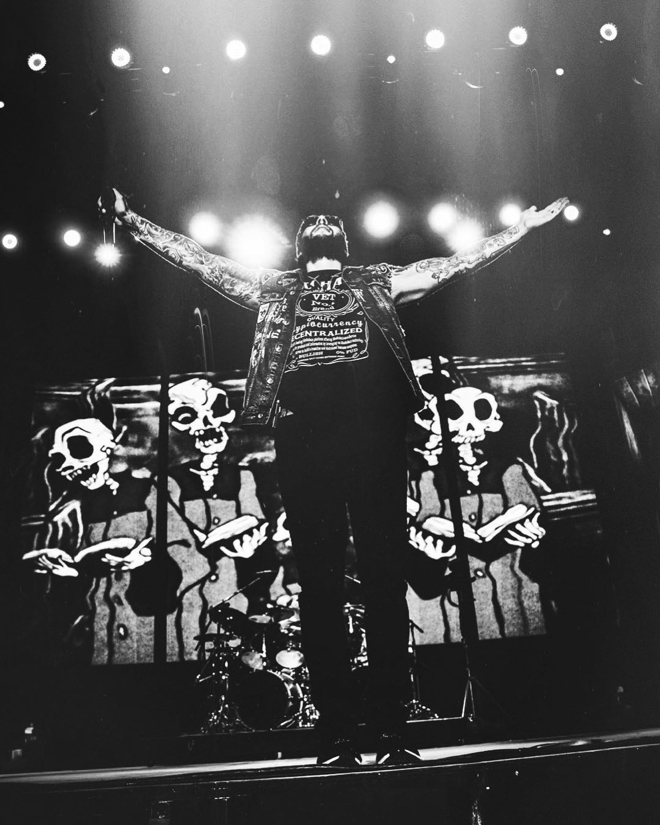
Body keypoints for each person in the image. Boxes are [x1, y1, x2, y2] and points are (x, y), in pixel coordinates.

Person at [101, 189, 568, 766]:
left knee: (383, 581)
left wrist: (520, 229)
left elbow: (454, 265)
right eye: (312, 220)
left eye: (331, 221)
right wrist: (131, 221)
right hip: (304, 441)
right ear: (302, 246)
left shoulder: (380, 281)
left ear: (342, 243)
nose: (321, 220)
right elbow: (198, 258)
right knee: (319, 589)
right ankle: (337, 736)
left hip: (373, 438)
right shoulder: (274, 288)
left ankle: (392, 731)